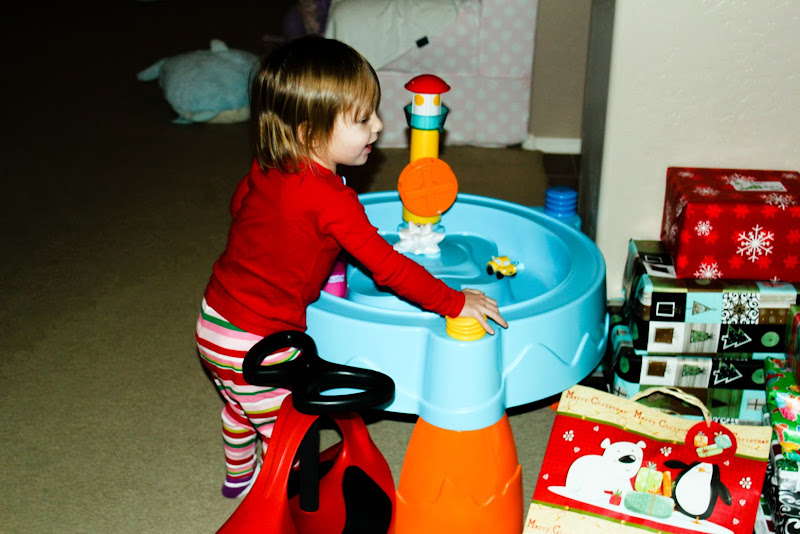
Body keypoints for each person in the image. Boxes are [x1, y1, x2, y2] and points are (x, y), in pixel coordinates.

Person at [195, 35, 507, 498]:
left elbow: (240, 207)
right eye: (363, 119)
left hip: (213, 318)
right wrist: (454, 302)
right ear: (308, 133)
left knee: (240, 408)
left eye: (374, 113)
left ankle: (238, 478)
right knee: (286, 429)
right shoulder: (333, 200)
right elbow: (388, 268)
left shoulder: (268, 165)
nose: (379, 126)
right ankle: (274, 501)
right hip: (258, 338)